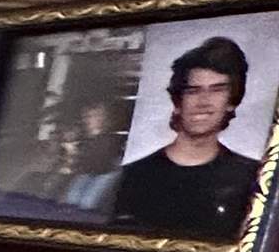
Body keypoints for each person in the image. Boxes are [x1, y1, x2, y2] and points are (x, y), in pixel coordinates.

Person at [111, 35, 263, 240]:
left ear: (231, 102)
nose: (204, 102)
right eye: (193, 91)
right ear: (178, 102)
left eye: (217, 90)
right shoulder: (132, 177)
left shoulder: (254, 179)